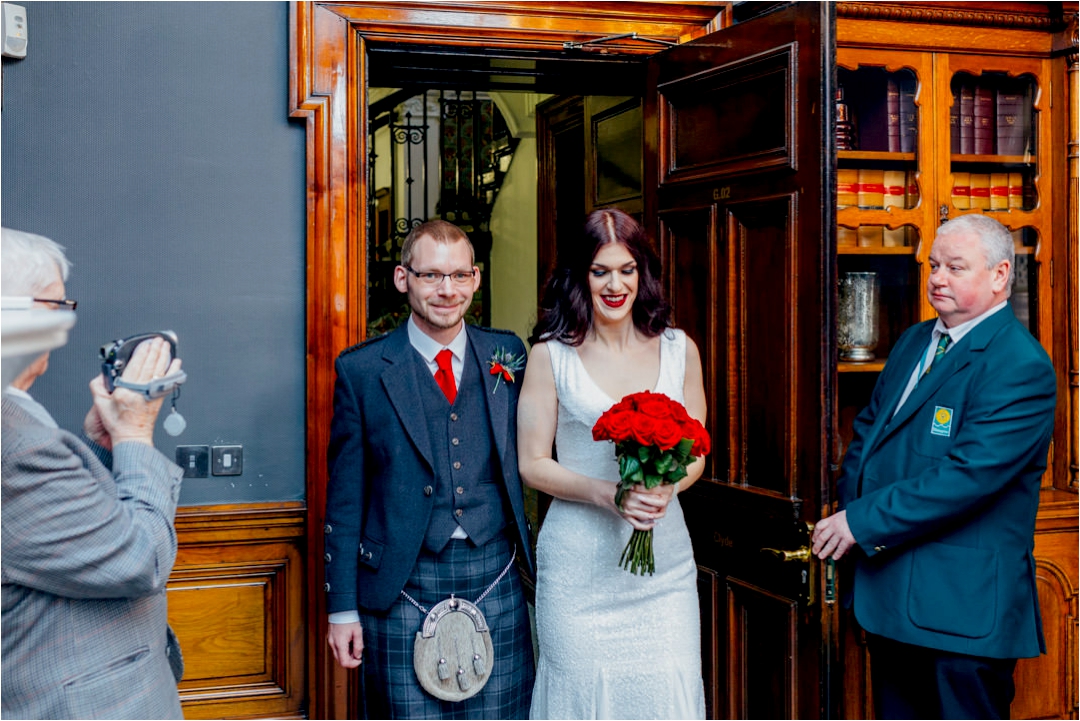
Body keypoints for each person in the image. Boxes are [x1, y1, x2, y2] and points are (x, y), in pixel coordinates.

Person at [812, 214, 1056, 720]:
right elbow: (868, 434)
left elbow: (967, 477)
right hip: (891, 597)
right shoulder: (914, 340)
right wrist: (851, 504)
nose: (937, 278)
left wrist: (858, 521)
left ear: (999, 275)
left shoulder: (1020, 365)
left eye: (955, 267)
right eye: (935, 265)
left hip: (961, 613)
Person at [324, 219, 535, 718]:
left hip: (495, 569)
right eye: (432, 276)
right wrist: (341, 607)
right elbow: (346, 497)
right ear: (403, 278)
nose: (448, 290)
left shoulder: (508, 355)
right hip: (402, 578)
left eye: (460, 276)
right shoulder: (362, 370)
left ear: (476, 279)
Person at [517, 208, 707, 719]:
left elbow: (696, 453)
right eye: (600, 271)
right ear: (581, 276)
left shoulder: (679, 350)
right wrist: (609, 495)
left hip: (662, 574)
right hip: (578, 571)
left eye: (627, 269)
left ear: (642, 273)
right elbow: (533, 465)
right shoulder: (550, 356)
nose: (615, 284)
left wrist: (667, 488)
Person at [1, 228, 186, 719]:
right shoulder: (16, 445)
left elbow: (57, 532)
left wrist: (100, 450)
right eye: (57, 305)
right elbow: (139, 559)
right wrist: (135, 438)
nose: (65, 322)